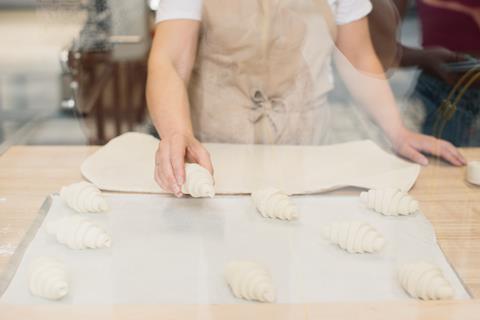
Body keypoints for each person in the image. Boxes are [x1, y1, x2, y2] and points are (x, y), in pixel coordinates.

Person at [147, 0, 466, 197]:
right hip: (216, 156)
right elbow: (170, 60)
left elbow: (357, 55)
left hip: (306, 153)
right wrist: (178, 134)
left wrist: (397, 131)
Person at [394, 0, 480, 146]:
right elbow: (376, 49)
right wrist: (423, 57)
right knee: (430, 168)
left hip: (439, 96)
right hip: (437, 99)